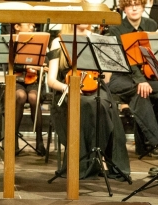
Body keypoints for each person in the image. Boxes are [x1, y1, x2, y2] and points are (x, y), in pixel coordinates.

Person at [46, 22, 130, 180]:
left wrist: (104, 65)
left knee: (103, 103)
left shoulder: (98, 40)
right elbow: (51, 80)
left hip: (95, 88)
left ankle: (101, 156)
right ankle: (84, 162)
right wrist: (66, 87)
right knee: (86, 104)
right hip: (67, 89)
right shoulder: (58, 41)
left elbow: (106, 78)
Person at [106, 0, 158, 157]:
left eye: (137, 5)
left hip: (146, 76)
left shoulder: (151, 25)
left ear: (143, 6)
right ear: (123, 9)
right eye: (129, 5)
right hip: (120, 77)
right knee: (140, 93)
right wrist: (140, 80)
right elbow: (125, 59)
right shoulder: (115, 29)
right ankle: (156, 143)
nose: (134, 8)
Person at [6, 22, 45, 156]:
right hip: (15, 80)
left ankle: (39, 140)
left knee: (34, 97)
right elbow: (9, 64)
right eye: (28, 24)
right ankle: (13, 138)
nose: (32, 27)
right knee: (21, 96)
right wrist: (24, 67)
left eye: (33, 25)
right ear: (17, 27)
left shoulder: (38, 42)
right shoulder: (11, 41)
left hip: (32, 80)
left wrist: (40, 66)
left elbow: (43, 63)